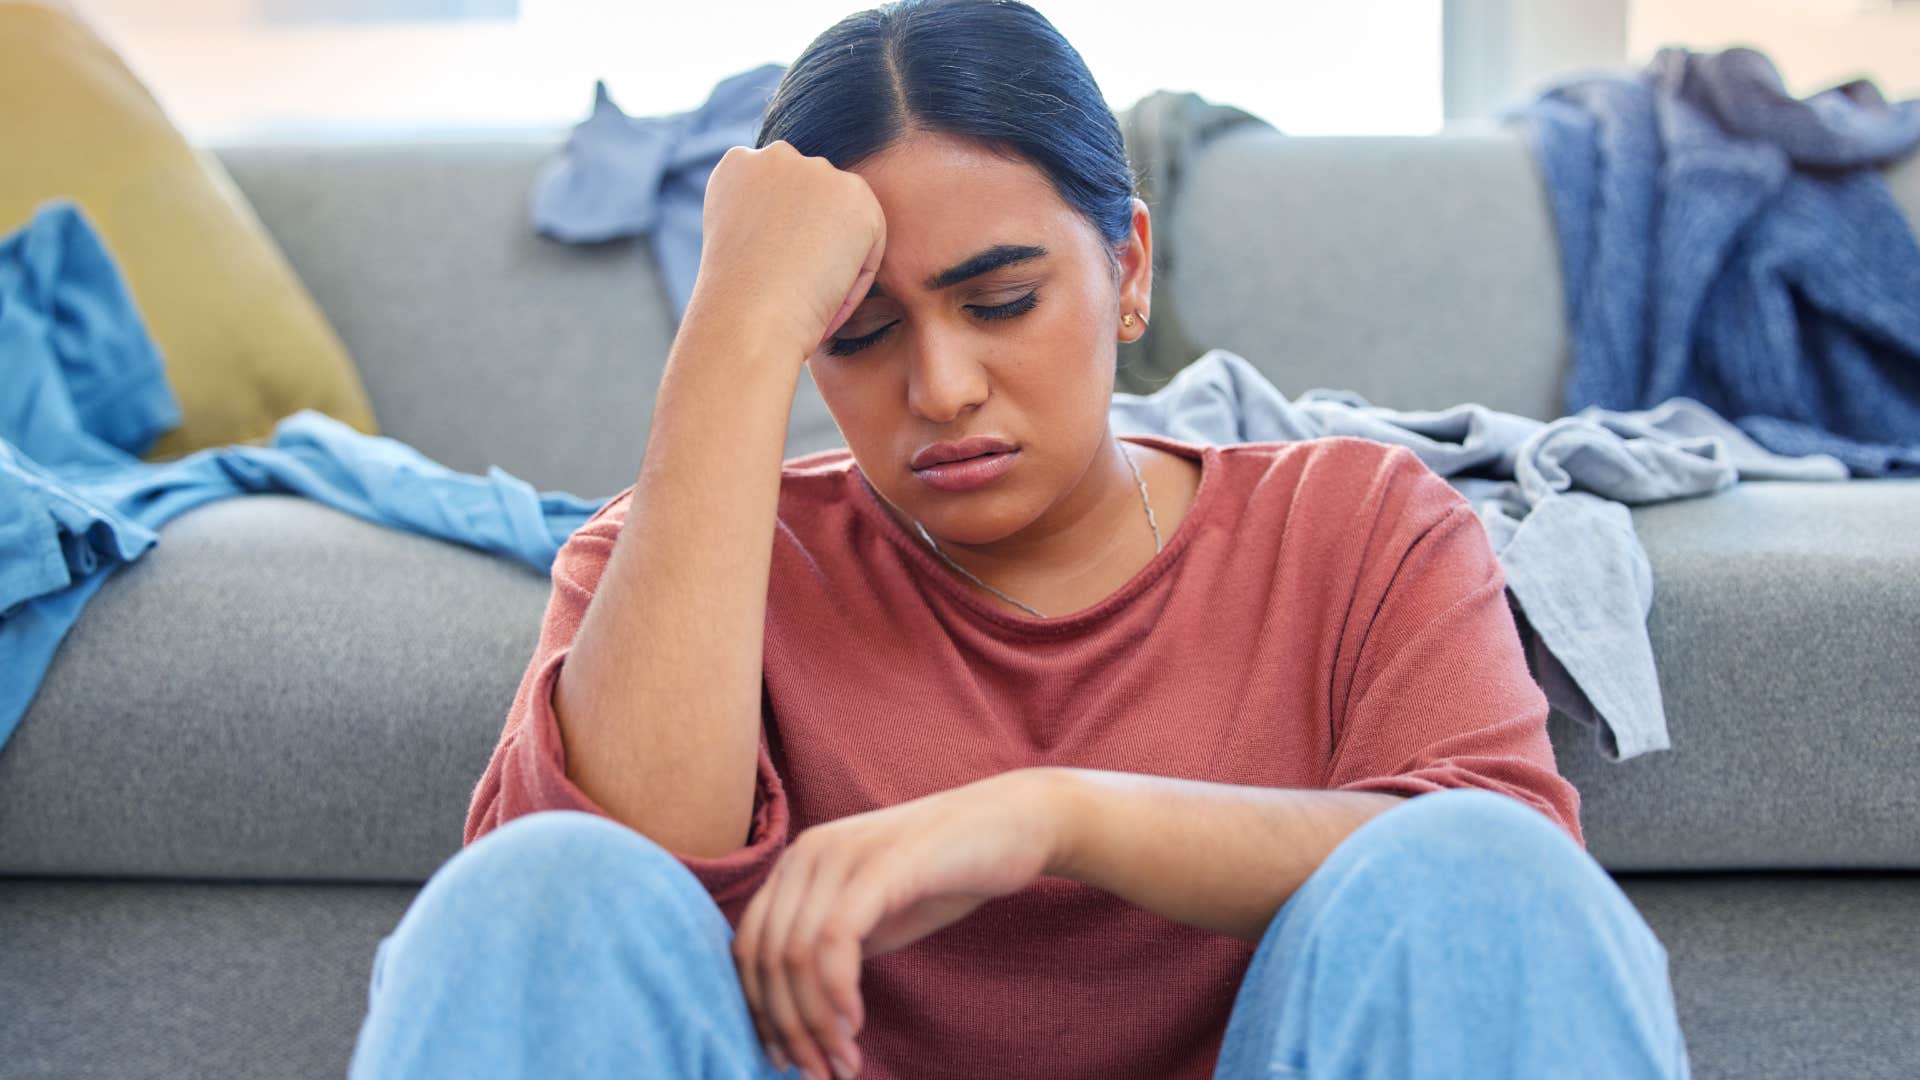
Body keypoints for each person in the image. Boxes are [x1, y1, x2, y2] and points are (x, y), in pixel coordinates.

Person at [349, 1, 1692, 1077]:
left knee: (1476, 872)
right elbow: (589, 920)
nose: (939, 389)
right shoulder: (678, 563)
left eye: (1001, 301)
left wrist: (1055, 817)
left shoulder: (1357, 524)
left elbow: (1507, 887)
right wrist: (737, 333)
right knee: (539, 890)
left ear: (1130, 270)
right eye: (858, 334)